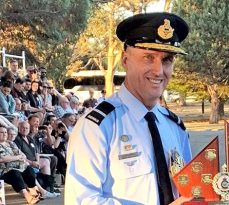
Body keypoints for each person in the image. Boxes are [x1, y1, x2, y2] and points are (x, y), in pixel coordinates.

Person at [65, 12, 192, 205]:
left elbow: (187, 191)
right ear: (125, 60)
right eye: (149, 57)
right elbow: (81, 200)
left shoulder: (175, 127)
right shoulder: (97, 127)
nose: (159, 71)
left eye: (167, 60)